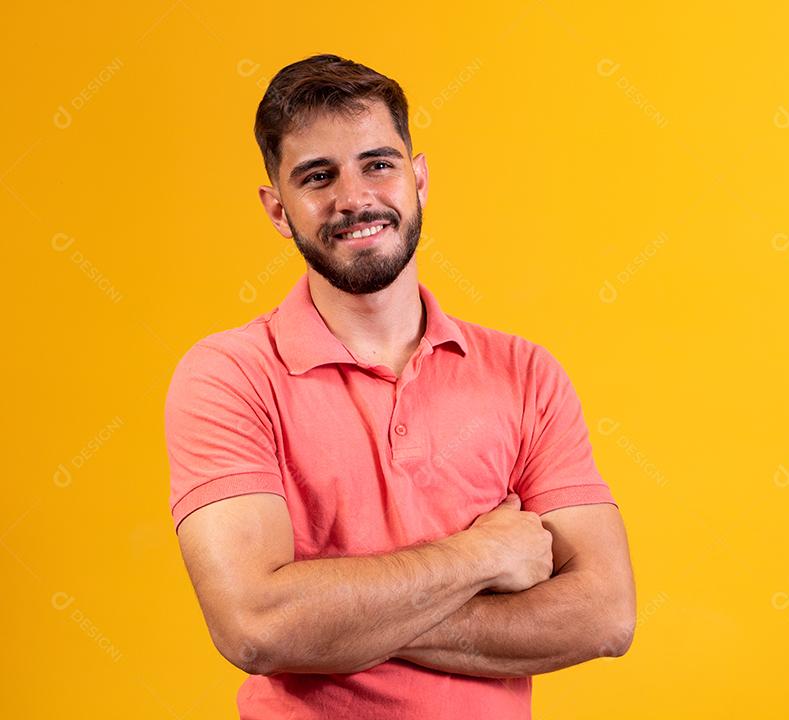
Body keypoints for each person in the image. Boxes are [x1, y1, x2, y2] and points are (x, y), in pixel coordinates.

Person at [163, 54, 636, 719]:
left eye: (377, 164)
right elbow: (254, 626)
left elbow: (604, 615)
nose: (353, 197)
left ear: (418, 178)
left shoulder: (526, 373)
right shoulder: (229, 376)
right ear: (277, 209)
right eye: (317, 176)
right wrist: (479, 557)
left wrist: (339, 624)